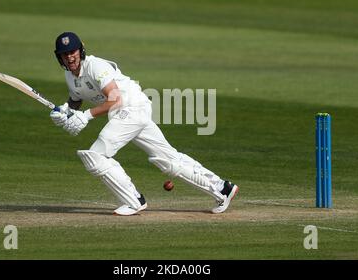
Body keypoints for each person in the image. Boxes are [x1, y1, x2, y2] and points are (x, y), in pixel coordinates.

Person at [49, 32, 239, 216]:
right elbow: (76, 98)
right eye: (64, 54)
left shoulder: (95, 66)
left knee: (95, 156)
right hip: (129, 112)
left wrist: (86, 116)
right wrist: (66, 111)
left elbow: (115, 99)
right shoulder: (70, 76)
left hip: (131, 108)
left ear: (80, 51)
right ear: (60, 58)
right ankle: (223, 189)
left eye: (72, 52)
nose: (69, 57)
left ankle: (133, 200)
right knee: (169, 161)